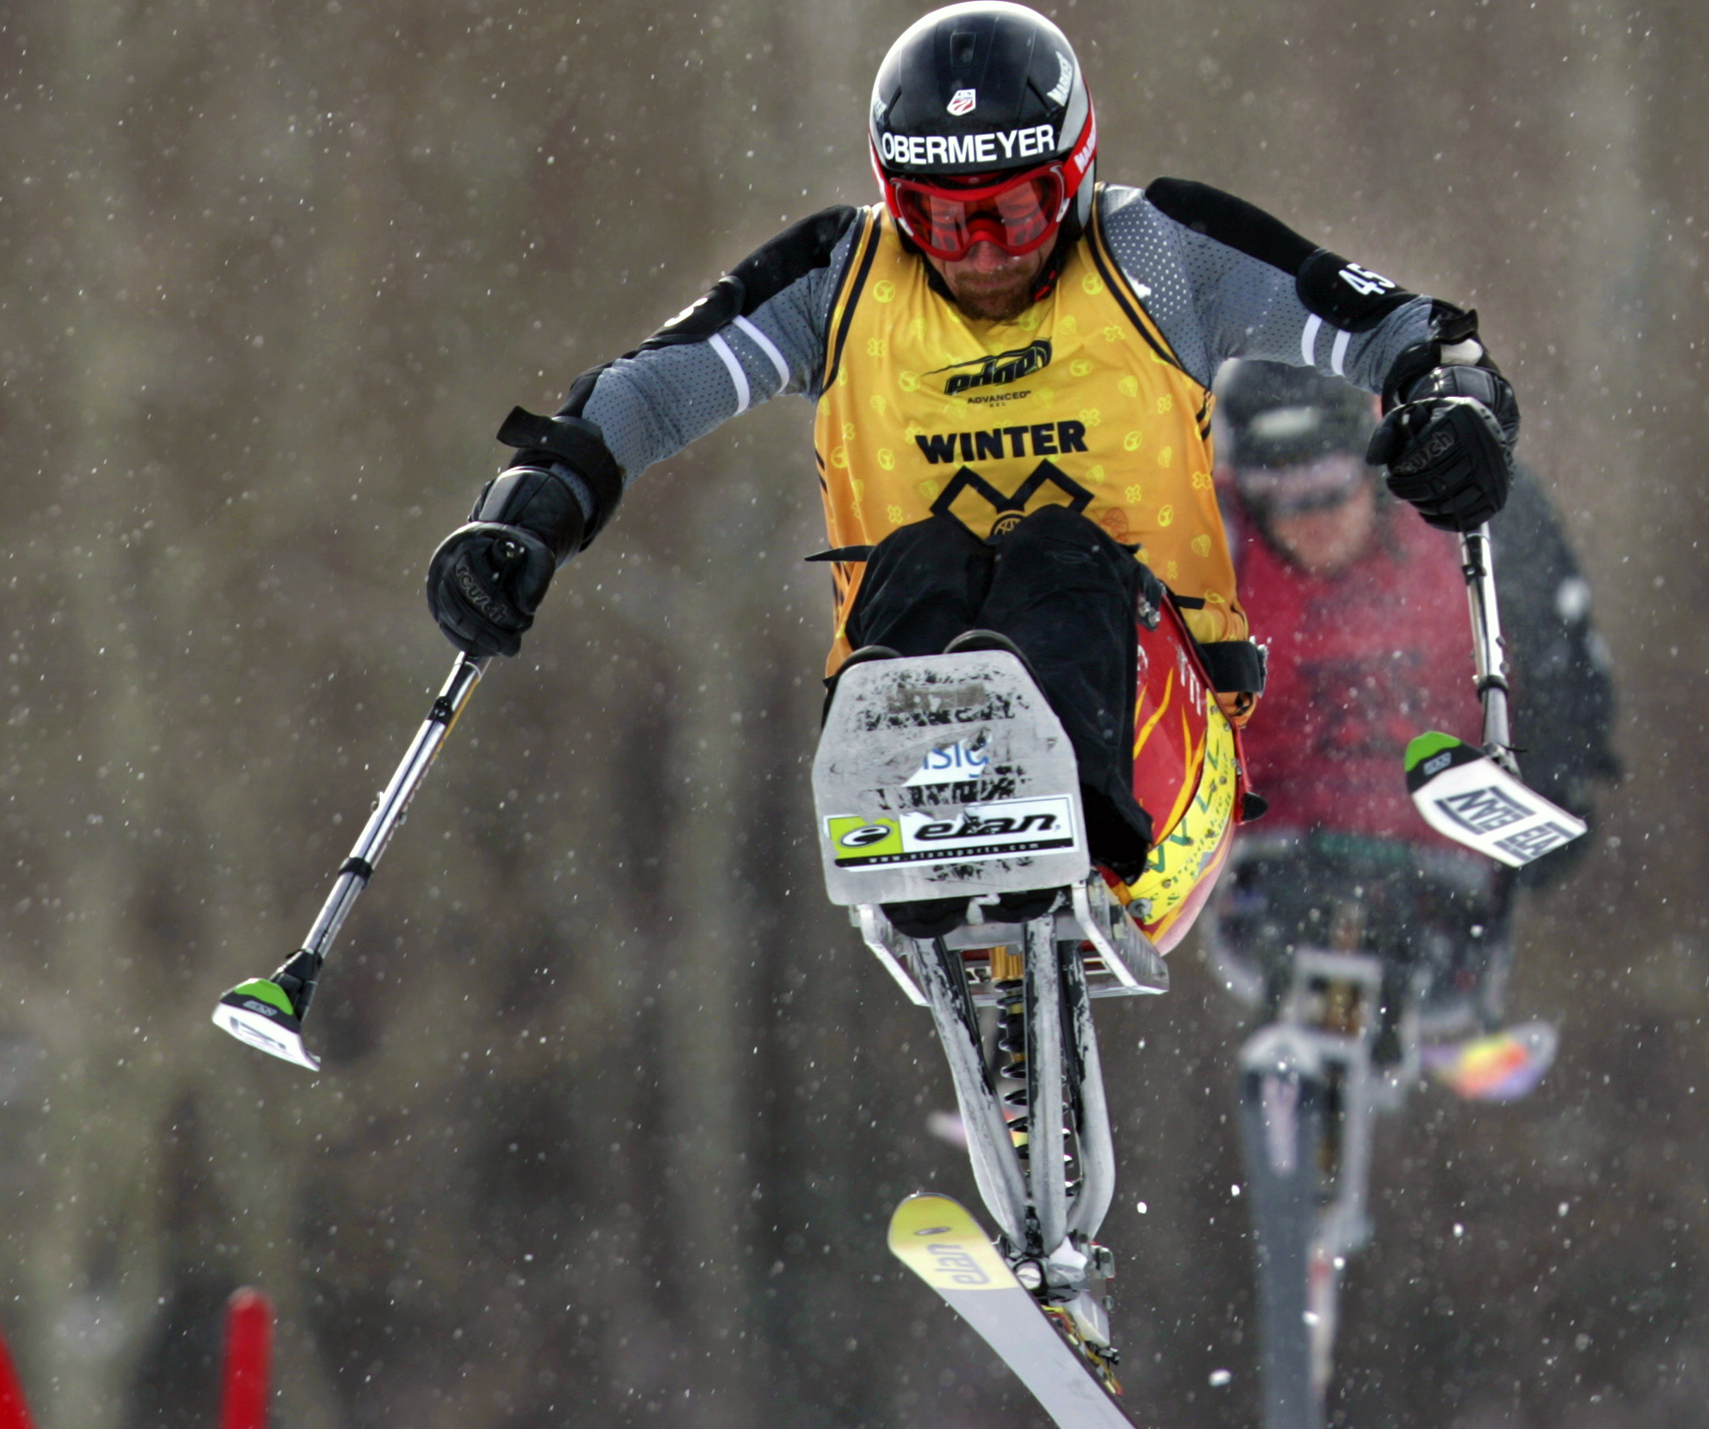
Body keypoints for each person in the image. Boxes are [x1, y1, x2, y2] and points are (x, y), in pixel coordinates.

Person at [425, 0, 1523, 924]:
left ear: (1073, 176)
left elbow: (1395, 326)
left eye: (1013, 209)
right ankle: (928, 855)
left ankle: (1064, 827)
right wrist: (530, 509)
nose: (984, 252)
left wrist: (1454, 404)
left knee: (1054, 553)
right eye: (941, 225)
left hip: (1161, 742)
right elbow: (653, 385)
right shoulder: (838, 276)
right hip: (909, 726)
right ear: (894, 205)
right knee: (919, 563)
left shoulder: (1158, 252)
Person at [1206, 360, 1616, 1073]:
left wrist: (1554, 784)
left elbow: (1561, 664)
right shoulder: (1214, 546)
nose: (1314, 520)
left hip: (1438, 858)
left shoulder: (1471, 521)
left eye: (1332, 484)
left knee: (1431, 970)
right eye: (1281, 495)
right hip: (1273, 855)